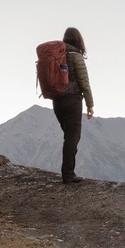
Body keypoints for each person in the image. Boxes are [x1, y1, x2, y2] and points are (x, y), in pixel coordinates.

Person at [52, 26, 94, 183]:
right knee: (72, 137)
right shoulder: (76, 56)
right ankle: (68, 174)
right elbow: (84, 82)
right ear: (78, 40)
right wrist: (90, 104)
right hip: (72, 100)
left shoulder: (57, 56)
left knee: (68, 136)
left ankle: (68, 172)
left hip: (57, 101)